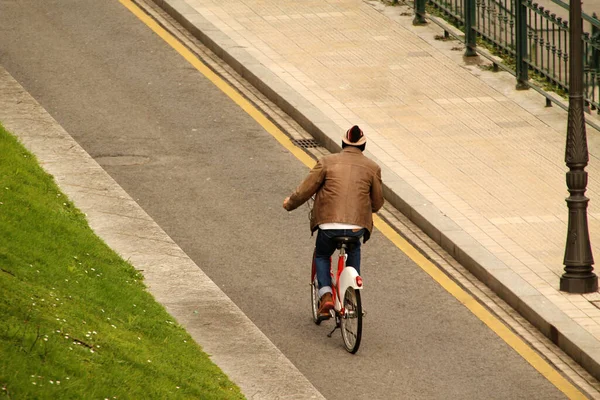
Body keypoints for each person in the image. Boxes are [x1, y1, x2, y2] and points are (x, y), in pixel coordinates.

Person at [283, 125, 384, 318]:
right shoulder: (372, 168)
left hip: (329, 226)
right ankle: (352, 295)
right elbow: (377, 203)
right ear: (363, 147)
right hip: (356, 227)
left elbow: (305, 190)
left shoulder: (326, 162)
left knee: (321, 255)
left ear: (342, 143)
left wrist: (289, 203)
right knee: (354, 248)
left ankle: (326, 295)